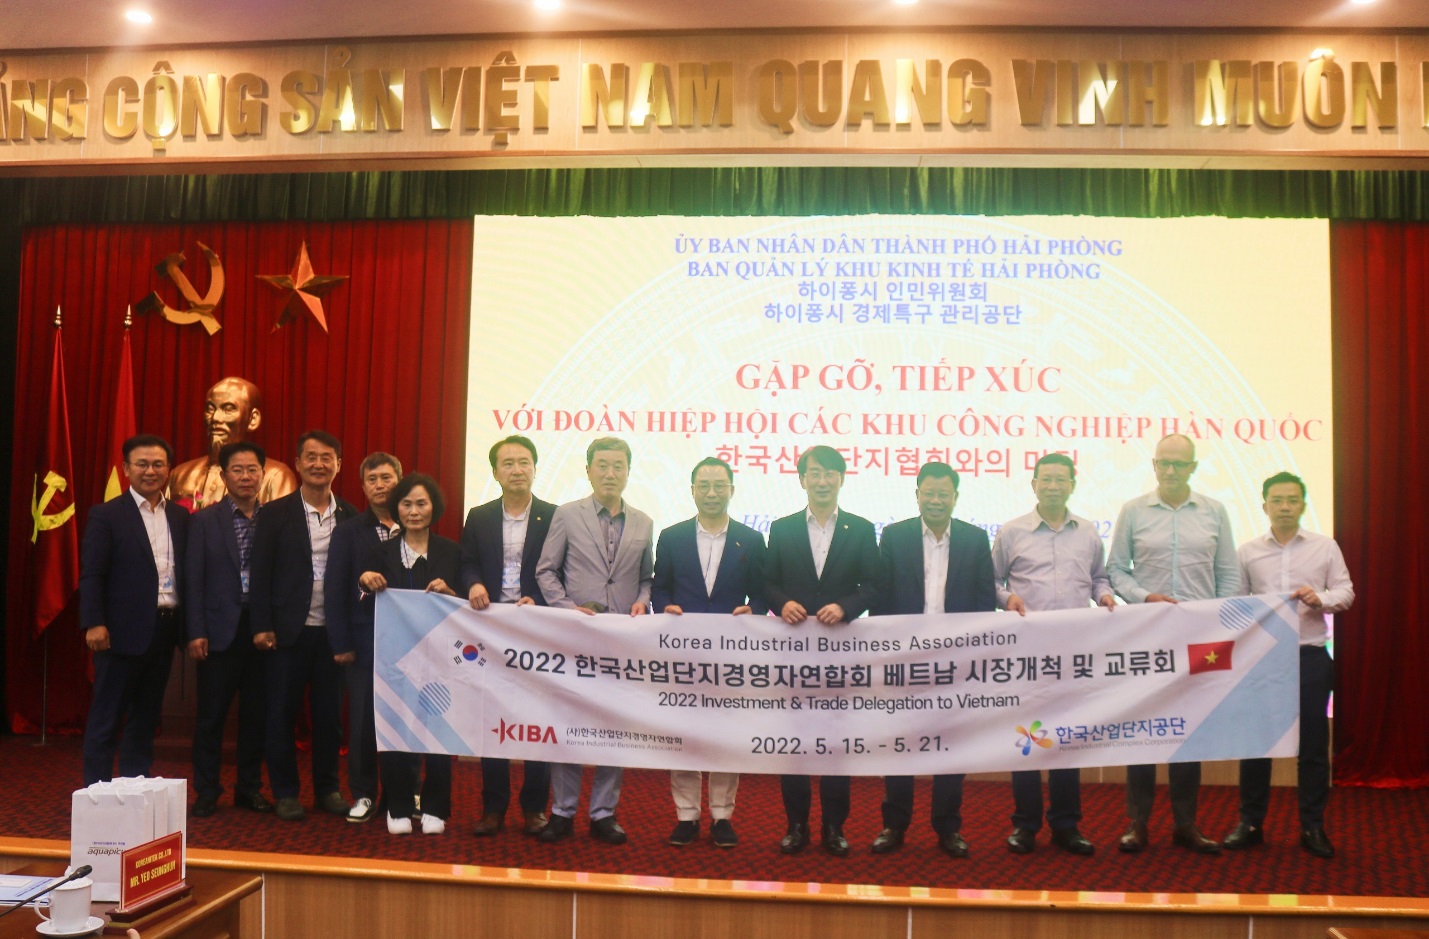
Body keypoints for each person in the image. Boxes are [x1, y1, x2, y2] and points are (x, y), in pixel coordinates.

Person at [1108, 433, 1241, 854]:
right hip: (1147, 635)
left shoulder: (1215, 511)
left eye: (1179, 464)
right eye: (1163, 462)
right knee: (1142, 731)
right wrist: (1144, 596)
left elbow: (1229, 574)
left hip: (1199, 641)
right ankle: (1137, 823)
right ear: (1153, 465)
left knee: (1189, 732)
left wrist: (1218, 622)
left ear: (1193, 468)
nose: (1170, 470)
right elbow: (1116, 571)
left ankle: (1186, 824)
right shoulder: (1133, 511)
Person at [992, 452, 1115, 856]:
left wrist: (1105, 596)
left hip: (1075, 653)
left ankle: (1066, 825)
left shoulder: (1088, 533)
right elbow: (991, 580)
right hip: (1027, 654)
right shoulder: (1012, 532)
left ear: (1072, 486)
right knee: (1027, 738)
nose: (1053, 486)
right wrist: (1007, 598)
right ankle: (1025, 825)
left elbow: (1098, 578)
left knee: (1068, 739)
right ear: (1034, 484)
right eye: (1046, 479)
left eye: (1061, 479)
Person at [1224, 471, 1353, 859]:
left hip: (1309, 656)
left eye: (1292, 500)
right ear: (1264, 506)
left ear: (1303, 504)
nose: (1284, 507)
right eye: (1277, 500)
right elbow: (1235, 603)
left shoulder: (1325, 547)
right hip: (1261, 660)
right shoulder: (1247, 551)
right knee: (1256, 745)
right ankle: (1250, 823)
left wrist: (1320, 599)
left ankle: (1312, 826)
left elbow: (1346, 593)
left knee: (1312, 747)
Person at [763, 445, 882, 857]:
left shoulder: (861, 529)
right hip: (793, 653)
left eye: (830, 473)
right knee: (795, 744)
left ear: (841, 479)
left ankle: (834, 827)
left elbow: (873, 584)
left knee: (835, 744)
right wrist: (782, 603)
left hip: (840, 654)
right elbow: (767, 582)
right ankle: (796, 826)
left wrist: (846, 607)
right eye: (814, 473)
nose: (823, 480)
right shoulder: (782, 529)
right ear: (802, 479)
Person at [534, 436, 654, 845]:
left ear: (628, 471)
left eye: (618, 466)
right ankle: (562, 811)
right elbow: (546, 571)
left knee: (613, 727)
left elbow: (647, 578)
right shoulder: (567, 514)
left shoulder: (644, 522)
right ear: (588, 470)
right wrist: (568, 609)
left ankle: (604, 812)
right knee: (568, 723)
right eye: (602, 465)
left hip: (621, 642)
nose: (610, 473)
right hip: (575, 637)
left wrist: (642, 601)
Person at [871, 461, 992, 859]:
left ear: (955, 497)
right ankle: (894, 825)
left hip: (955, 662)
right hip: (904, 660)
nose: (936, 500)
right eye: (929, 493)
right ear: (917, 495)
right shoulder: (895, 536)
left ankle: (948, 827)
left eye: (944, 494)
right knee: (899, 744)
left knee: (951, 745)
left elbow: (983, 603)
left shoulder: (975, 539)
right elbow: (881, 600)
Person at [651, 456, 767, 849]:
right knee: (683, 733)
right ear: (693, 491)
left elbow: (761, 594)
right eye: (705, 486)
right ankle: (686, 815)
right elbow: (660, 587)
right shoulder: (672, 537)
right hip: (683, 653)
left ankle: (721, 815)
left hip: (731, 654)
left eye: (720, 486)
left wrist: (753, 610)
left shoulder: (751, 540)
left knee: (725, 734)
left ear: (732, 490)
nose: (712, 493)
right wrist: (664, 607)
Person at [251, 430, 357, 822]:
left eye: (326, 457)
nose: (318, 464)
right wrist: (262, 625)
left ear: (338, 465)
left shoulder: (351, 516)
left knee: (329, 719)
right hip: (286, 632)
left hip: (334, 633)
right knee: (280, 714)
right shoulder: (274, 513)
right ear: (297, 463)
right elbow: (260, 574)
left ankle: (328, 789)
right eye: (310, 457)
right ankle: (285, 792)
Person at [80, 435, 189, 785]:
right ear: (127, 468)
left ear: (168, 469)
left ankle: (135, 785)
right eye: (142, 464)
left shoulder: (180, 516)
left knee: (146, 716)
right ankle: (96, 791)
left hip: (165, 628)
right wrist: (94, 622)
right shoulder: (107, 515)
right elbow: (92, 574)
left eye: (158, 464)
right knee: (107, 716)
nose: (150, 471)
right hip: (118, 632)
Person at [461, 435, 555, 837]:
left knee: (538, 721)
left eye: (524, 462)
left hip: (537, 631)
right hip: (491, 630)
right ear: (496, 473)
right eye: (508, 463)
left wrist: (541, 599)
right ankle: (493, 807)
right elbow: (466, 562)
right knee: (493, 720)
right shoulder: (479, 516)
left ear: (534, 468)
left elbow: (562, 569)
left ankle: (534, 808)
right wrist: (473, 583)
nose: (517, 470)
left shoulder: (555, 516)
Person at [359, 473, 460, 835]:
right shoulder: (380, 553)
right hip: (394, 660)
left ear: (434, 508)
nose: (414, 511)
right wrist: (364, 583)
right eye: (406, 504)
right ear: (396, 508)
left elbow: (467, 605)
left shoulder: (452, 551)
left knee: (440, 730)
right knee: (394, 729)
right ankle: (398, 806)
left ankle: (435, 807)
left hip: (440, 659)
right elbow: (362, 601)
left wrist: (451, 592)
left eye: (421, 503)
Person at [185, 441, 273, 816]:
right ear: (223, 476)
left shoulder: (275, 519)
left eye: (252, 469)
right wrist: (195, 630)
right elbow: (193, 580)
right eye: (237, 470)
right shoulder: (204, 521)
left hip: (263, 631)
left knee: (256, 717)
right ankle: (207, 790)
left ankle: (248, 789)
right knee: (211, 718)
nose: (246, 476)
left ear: (263, 474)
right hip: (218, 632)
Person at [325, 452, 403, 824]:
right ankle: (364, 793)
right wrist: (341, 644)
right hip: (362, 641)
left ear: (400, 480)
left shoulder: (416, 524)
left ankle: (401, 794)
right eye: (372, 479)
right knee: (362, 724)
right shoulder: (348, 531)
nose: (380, 485)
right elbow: (335, 588)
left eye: (387, 477)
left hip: (409, 645)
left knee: (404, 721)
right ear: (363, 487)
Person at [169, 377, 297, 509]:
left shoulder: (276, 476)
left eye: (228, 409)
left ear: (252, 419)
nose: (215, 418)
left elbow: (285, 520)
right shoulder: (180, 474)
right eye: (210, 409)